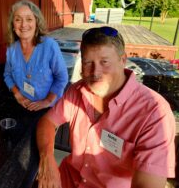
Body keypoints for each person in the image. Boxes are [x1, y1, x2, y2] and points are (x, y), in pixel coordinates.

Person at [36, 26, 176, 188]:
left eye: (104, 62)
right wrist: (47, 157)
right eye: (88, 63)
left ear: (123, 60)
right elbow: (48, 121)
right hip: (64, 181)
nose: (95, 72)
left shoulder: (155, 113)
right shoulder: (77, 90)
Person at [4, 0, 68, 112]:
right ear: (13, 25)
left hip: (47, 108)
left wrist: (47, 101)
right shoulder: (11, 49)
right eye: (18, 19)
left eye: (29, 19)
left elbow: (61, 78)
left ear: (36, 22)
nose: (23, 25)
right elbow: (7, 75)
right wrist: (18, 95)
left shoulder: (49, 46)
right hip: (23, 105)